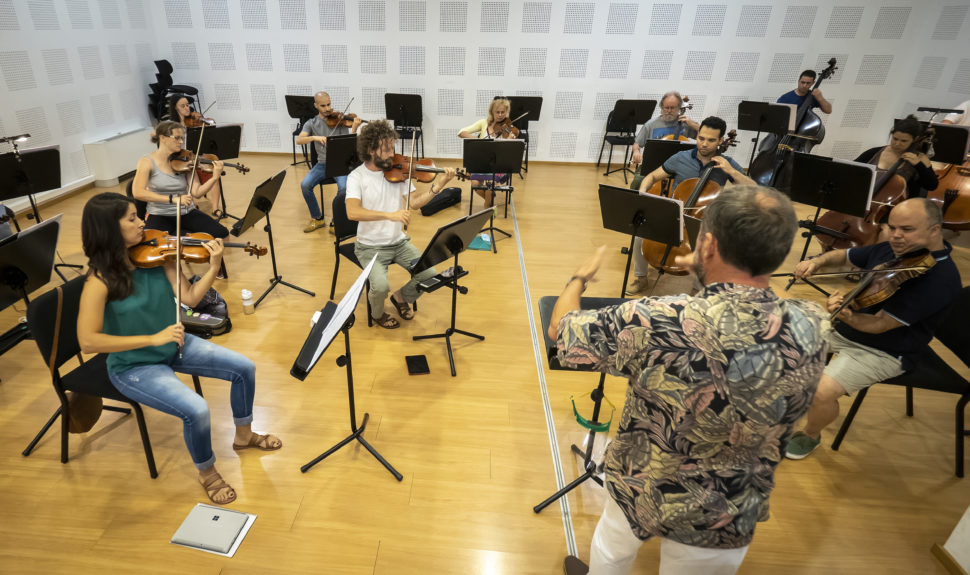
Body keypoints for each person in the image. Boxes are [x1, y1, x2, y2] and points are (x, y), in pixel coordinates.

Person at [550, 186, 828, 575]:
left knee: (612, 554)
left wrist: (578, 279)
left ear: (709, 244)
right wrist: (712, 270)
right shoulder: (813, 324)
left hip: (643, 482)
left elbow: (563, 331)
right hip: (730, 505)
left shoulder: (658, 317)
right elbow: (758, 299)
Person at [76, 192, 282, 505]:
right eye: (131, 218)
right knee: (196, 409)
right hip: (133, 366)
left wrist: (213, 266)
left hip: (173, 346)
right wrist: (154, 338)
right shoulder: (98, 281)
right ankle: (207, 472)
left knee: (244, 368)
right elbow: (88, 342)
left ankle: (243, 436)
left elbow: (190, 299)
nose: (142, 222)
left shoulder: (157, 256)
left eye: (139, 215)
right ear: (108, 229)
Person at [785, 198, 961, 460]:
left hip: (886, 350)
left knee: (821, 392)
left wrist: (844, 313)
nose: (896, 236)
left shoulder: (941, 280)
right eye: (892, 227)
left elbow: (880, 325)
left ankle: (810, 435)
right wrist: (817, 262)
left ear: (935, 231)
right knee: (780, 336)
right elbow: (846, 256)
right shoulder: (894, 250)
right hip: (851, 327)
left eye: (907, 229)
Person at [346, 120, 456, 329]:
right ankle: (378, 314)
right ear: (370, 150)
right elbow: (352, 212)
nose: (391, 154)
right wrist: (390, 215)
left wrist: (438, 186)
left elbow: (414, 203)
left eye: (392, 148)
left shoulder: (399, 171)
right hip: (369, 247)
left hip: (399, 242)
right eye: (386, 149)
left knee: (429, 275)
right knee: (379, 287)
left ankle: (401, 298)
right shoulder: (356, 177)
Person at [626, 116, 753, 295]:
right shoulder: (681, 158)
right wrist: (643, 192)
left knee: (710, 246)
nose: (704, 144)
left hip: (704, 219)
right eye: (701, 138)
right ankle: (641, 278)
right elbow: (652, 176)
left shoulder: (726, 164)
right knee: (641, 235)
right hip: (675, 213)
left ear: (721, 141)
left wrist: (730, 171)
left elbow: (754, 189)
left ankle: (697, 289)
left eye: (711, 140)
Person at [132, 120, 229, 241]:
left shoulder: (185, 160)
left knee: (222, 234)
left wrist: (214, 177)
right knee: (151, 244)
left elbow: (197, 193)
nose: (181, 142)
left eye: (182, 138)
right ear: (163, 138)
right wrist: (172, 199)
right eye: (177, 138)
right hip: (159, 214)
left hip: (186, 213)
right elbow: (138, 192)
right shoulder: (147, 161)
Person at [295, 91, 362, 233]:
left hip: (340, 163)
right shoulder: (311, 123)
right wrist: (315, 138)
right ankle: (318, 218)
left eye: (329, 104)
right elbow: (299, 140)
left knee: (344, 189)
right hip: (322, 164)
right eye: (323, 105)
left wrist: (354, 128)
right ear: (316, 106)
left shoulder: (340, 121)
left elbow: (350, 144)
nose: (327, 108)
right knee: (305, 185)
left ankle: (336, 220)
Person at [854, 115, 938, 201]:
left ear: (915, 139)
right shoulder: (874, 152)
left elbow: (931, 186)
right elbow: (850, 170)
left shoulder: (920, 158)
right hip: (862, 199)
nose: (897, 144)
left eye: (903, 141)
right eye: (895, 139)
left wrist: (919, 166)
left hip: (897, 207)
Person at [168, 94, 223, 218]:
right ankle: (192, 203)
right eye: (183, 106)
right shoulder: (172, 126)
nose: (187, 108)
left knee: (214, 173)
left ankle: (215, 208)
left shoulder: (193, 122)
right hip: (181, 159)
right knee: (187, 174)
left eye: (188, 105)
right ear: (176, 108)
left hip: (196, 157)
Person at [458, 97, 516, 208]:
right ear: (492, 112)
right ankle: (490, 202)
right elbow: (461, 132)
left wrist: (510, 139)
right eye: (497, 112)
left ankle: (487, 208)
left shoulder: (508, 127)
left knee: (491, 183)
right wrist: (479, 141)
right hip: (482, 164)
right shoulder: (483, 123)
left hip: (500, 166)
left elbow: (511, 145)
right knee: (475, 183)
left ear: (506, 112)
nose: (500, 115)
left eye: (502, 112)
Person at [630, 91, 699, 169]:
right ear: (662, 107)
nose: (669, 111)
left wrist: (693, 124)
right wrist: (636, 151)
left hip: (679, 165)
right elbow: (637, 144)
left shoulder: (686, 124)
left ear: (679, 107)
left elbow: (704, 135)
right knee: (637, 181)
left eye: (672, 108)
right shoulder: (650, 124)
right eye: (666, 107)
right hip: (655, 164)